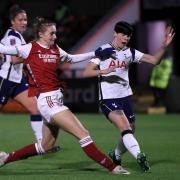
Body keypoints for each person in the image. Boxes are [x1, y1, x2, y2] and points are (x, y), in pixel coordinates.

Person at [0, 17, 130, 175]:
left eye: (55, 33)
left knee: (45, 146)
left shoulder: (55, 48)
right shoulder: (29, 48)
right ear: (41, 34)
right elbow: (4, 49)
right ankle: (113, 167)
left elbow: (71, 58)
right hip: (48, 101)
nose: (55, 37)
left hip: (54, 100)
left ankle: (5, 159)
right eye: (52, 34)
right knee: (83, 134)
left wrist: (96, 53)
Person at [83, 21, 175, 172]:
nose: (126, 38)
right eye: (123, 35)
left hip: (125, 97)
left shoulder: (130, 52)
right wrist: (103, 72)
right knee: (125, 127)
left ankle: (116, 154)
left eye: (128, 36)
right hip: (108, 99)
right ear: (115, 33)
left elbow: (154, 61)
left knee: (130, 130)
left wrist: (164, 46)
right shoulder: (103, 51)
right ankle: (140, 156)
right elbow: (86, 72)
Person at [0, 5, 43, 142]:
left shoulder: (17, 36)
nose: (24, 22)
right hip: (6, 80)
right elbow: (14, 59)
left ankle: (42, 144)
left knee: (35, 108)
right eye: (20, 20)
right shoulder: (13, 36)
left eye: (25, 19)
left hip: (17, 81)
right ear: (13, 21)